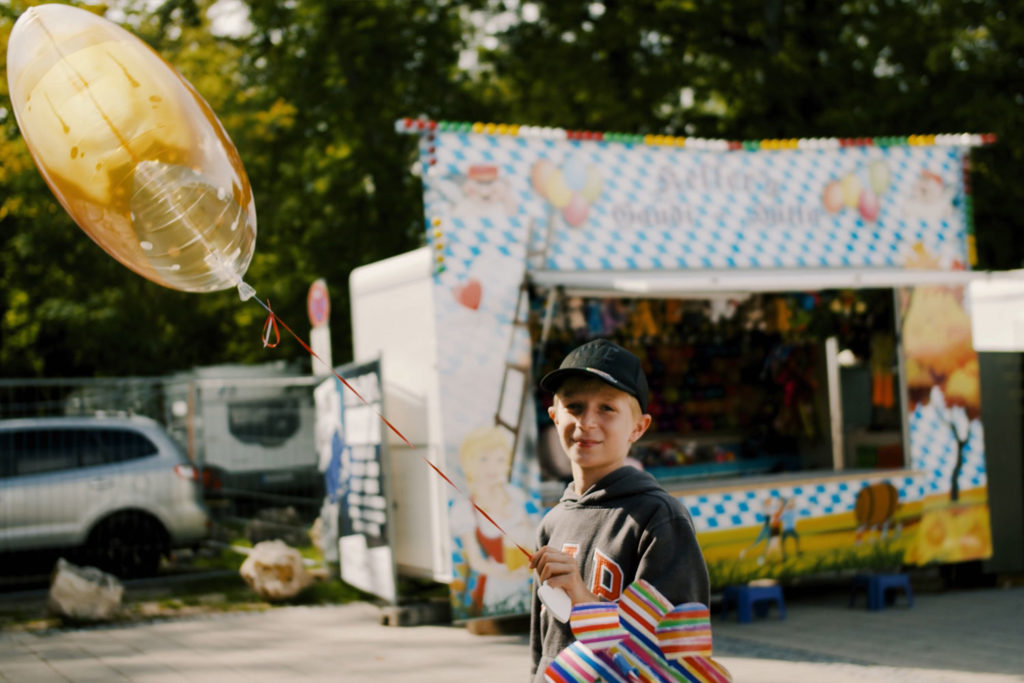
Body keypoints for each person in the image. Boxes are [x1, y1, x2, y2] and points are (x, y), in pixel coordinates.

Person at [528, 338, 709, 681]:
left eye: (607, 408)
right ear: (554, 417)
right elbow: (543, 646)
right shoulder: (551, 525)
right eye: (575, 406)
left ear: (639, 427)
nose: (587, 422)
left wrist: (584, 602)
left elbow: (677, 658)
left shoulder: (658, 519)